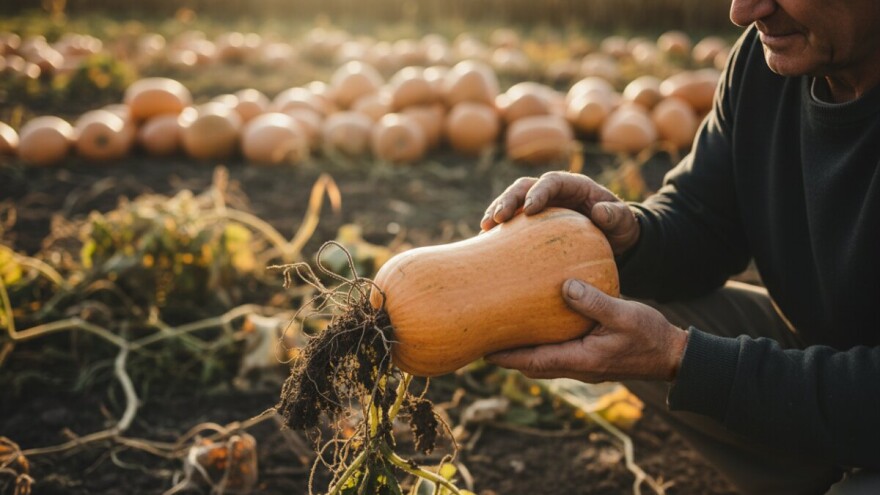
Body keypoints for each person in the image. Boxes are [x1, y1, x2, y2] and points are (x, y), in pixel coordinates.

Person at [480, 0, 880, 493]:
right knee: (605, 294)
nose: (742, 11)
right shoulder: (766, 60)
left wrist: (680, 357)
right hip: (833, 359)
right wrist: (624, 233)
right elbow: (702, 218)